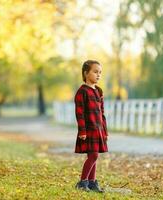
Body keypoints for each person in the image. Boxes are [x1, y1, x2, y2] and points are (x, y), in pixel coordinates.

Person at [74, 60, 108, 193]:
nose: (98, 75)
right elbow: (79, 113)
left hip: (98, 129)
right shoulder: (82, 92)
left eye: (100, 72)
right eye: (95, 72)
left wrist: (105, 131)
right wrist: (82, 130)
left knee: (95, 155)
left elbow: (102, 113)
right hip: (88, 130)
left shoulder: (99, 91)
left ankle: (92, 183)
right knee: (93, 156)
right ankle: (82, 182)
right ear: (86, 73)